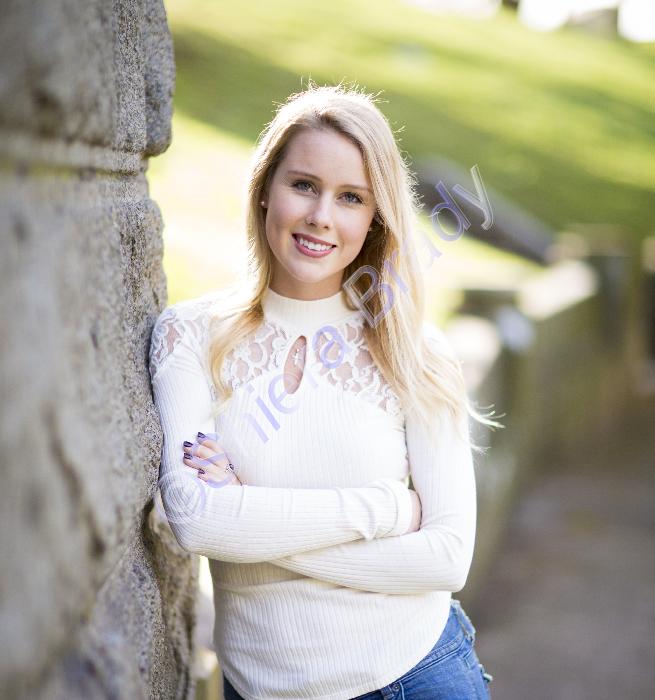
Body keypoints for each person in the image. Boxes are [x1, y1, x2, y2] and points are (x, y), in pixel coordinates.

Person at [149, 81, 500, 699]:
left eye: (351, 197)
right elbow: (196, 519)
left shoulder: (416, 352)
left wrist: (249, 513)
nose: (321, 216)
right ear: (265, 189)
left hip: (416, 675)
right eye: (304, 185)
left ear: (375, 217)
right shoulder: (190, 335)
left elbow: (446, 558)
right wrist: (386, 511)